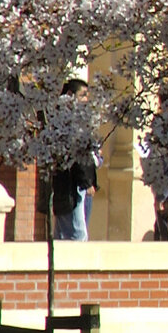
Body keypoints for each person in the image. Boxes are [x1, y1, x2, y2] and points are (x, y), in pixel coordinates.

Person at [48, 77, 100, 242]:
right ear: (70, 95)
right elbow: (77, 156)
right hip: (72, 185)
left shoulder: (77, 120)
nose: (86, 100)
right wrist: (86, 182)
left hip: (74, 184)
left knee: (65, 233)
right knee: (78, 235)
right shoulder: (68, 121)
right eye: (82, 95)